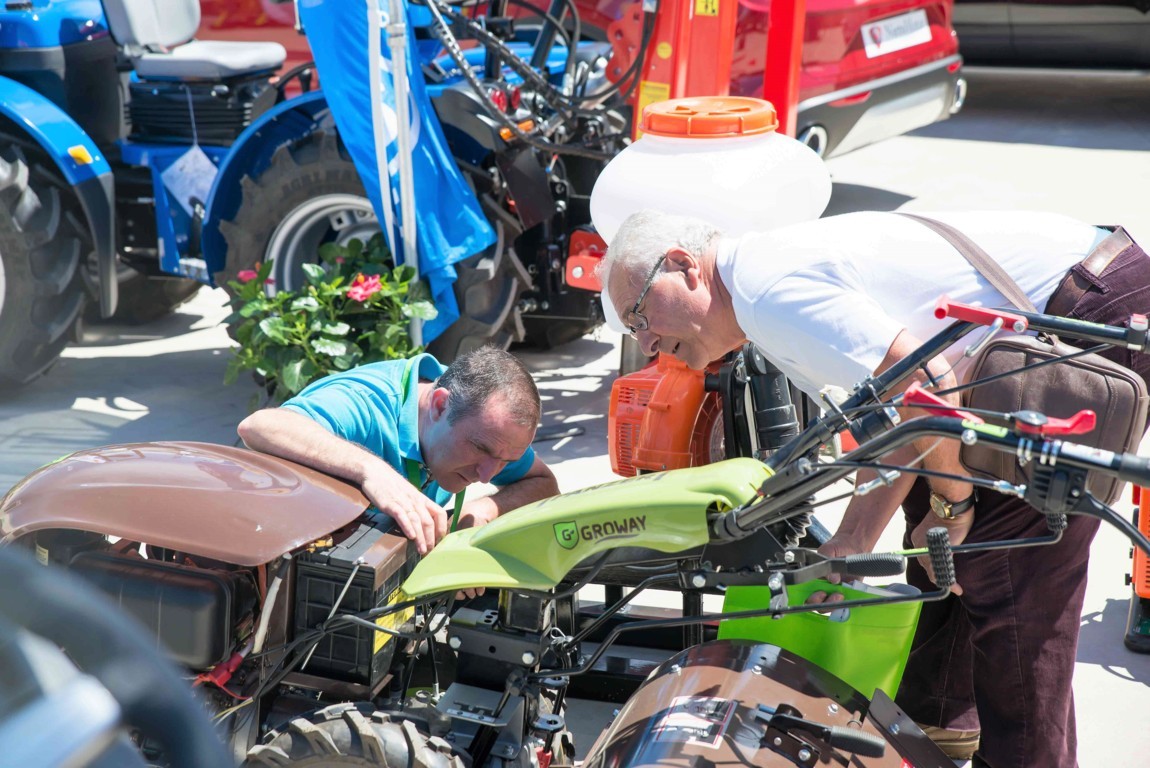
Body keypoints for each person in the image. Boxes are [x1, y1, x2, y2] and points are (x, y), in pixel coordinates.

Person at [599, 208, 1150, 768]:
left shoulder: (768, 296)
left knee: (1006, 564)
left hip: (1088, 309)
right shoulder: (757, 285)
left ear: (683, 265)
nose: (645, 343)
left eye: (639, 313)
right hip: (1064, 300)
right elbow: (893, 414)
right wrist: (853, 541)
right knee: (933, 522)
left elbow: (927, 383)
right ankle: (936, 722)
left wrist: (953, 505)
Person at [237, 346, 559, 557]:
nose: (487, 475)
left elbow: (543, 483)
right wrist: (373, 472)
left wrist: (481, 512)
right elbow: (260, 425)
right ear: (439, 404)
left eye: (506, 461)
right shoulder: (365, 403)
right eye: (479, 448)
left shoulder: (489, 426)